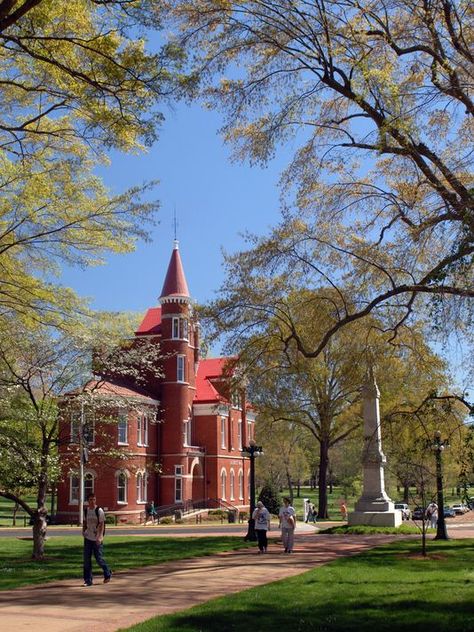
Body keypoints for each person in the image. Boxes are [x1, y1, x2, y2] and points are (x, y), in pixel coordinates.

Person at [82, 493, 112, 586]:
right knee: (86, 560)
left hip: (96, 538)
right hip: (88, 537)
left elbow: (102, 524)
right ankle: (88, 580)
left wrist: (100, 537)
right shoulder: (86, 511)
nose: (92, 501)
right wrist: (83, 531)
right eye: (90, 499)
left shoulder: (99, 510)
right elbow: (85, 522)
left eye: (94, 499)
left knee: (99, 558)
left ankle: (107, 573)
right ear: (88, 501)